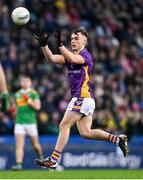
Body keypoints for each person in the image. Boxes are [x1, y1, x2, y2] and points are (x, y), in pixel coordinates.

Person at [34, 27, 128, 170]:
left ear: (84, 41)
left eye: (76, 38)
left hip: (82, 97)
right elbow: (52, 59)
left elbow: (72, 58)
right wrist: (44, 46)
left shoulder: (85, 55)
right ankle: (117, 139)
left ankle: (53, 160)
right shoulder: (70, 56)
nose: (73, 41)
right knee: (85, 133)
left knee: (64, 125)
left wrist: (60, 46)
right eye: (71, 38)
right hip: (85, 99)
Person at [12, 75, 44, 170]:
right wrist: (11, 109)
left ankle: (40, 155)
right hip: (19, 122)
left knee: (35, 144)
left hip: (31, 122)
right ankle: (19, 164)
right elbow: (15, 108)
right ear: (21, 83)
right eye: (23, 81)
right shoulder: (17, 94)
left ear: (30, 83)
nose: (25, 83)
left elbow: (38, 107)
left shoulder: (34, 93)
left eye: (27, 81)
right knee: (19, 145)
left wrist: (29, 101)